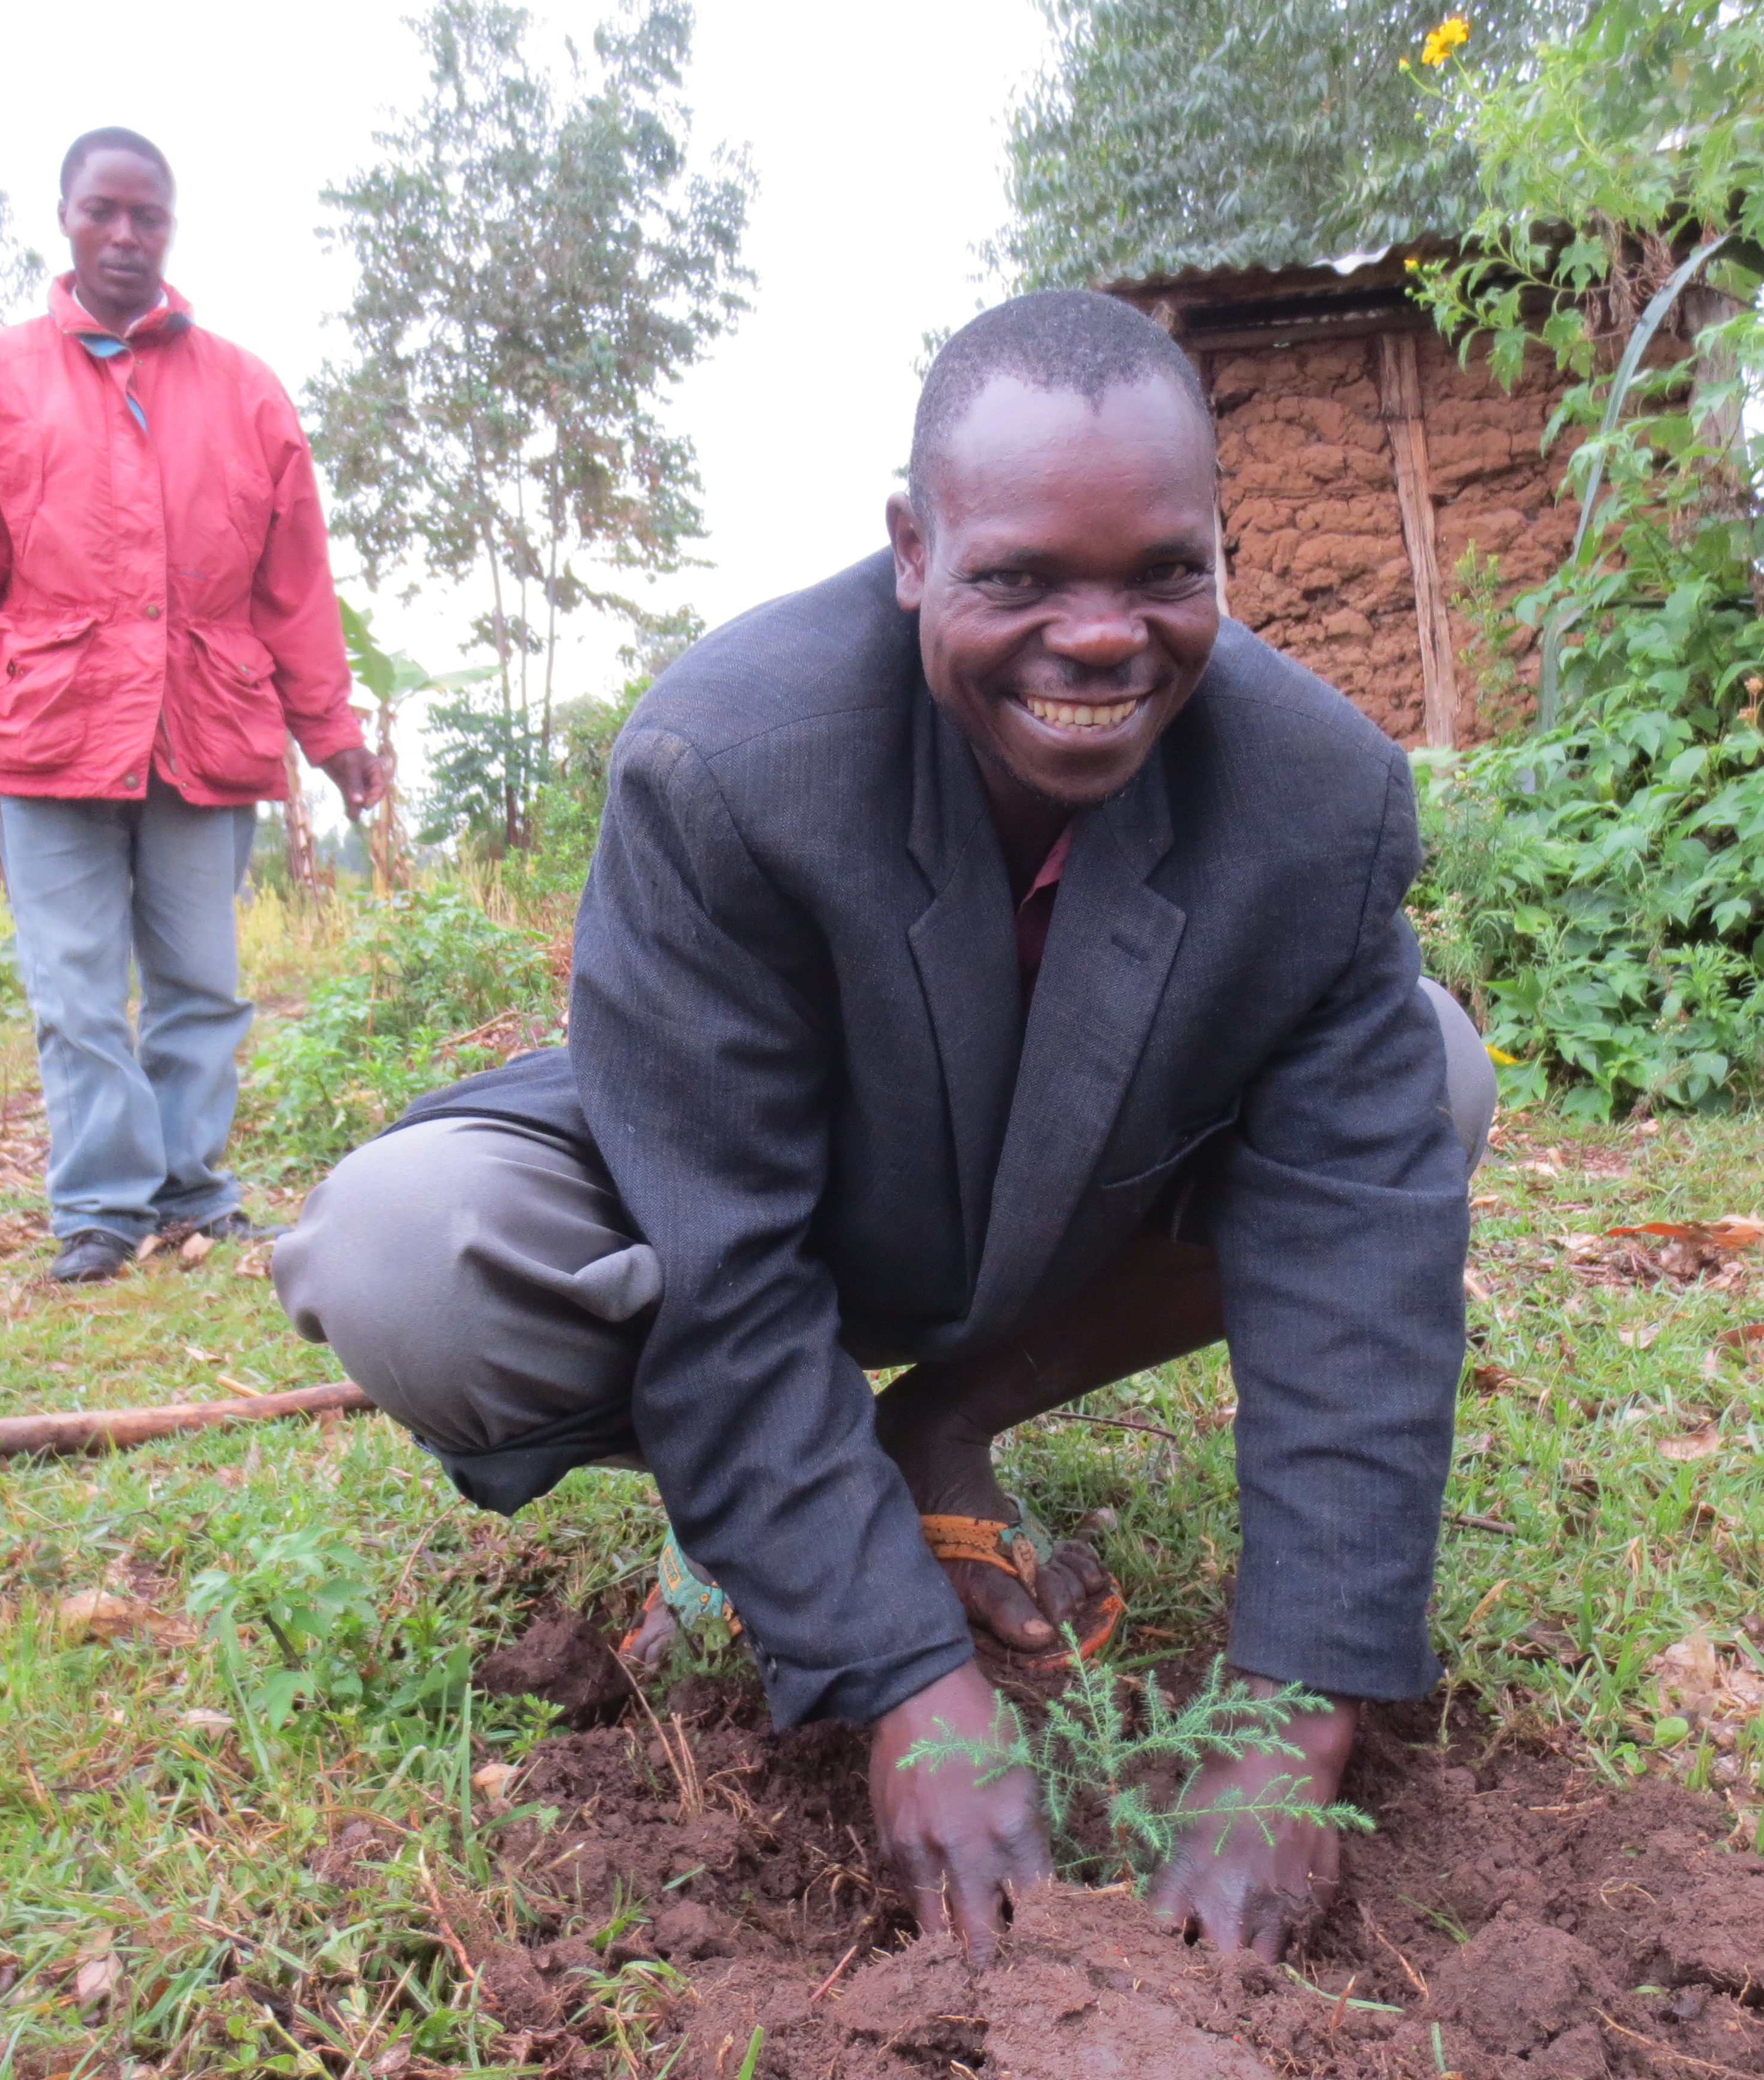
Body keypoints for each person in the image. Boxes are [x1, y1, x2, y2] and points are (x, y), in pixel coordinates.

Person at [271, 291, 1491, 1959]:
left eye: (1164, 573)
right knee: (408, 1250)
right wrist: (904, 1672)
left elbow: (1360, 1244)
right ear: (914, 549)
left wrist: (1298, 1715)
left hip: (1066, 1192)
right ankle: (769, 1508)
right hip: (736, 1168)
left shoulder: (1318, 800)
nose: (1100, 638)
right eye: (1018, 578)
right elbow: (719, 1260)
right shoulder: (734, 763)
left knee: (1427, 1073)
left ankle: (937, 1426)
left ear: (1222, 546)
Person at [0, 128, 385, 1284]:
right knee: (77, 991)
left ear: (170, 228)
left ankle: (195, 1199)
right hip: (50, 723)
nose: (123, 235)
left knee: (202, 984)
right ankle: (102, 1211)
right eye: (102, 211)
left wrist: (335, 732)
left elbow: (294, 584)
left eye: (145, 217)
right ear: (64, 216)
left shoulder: (246, 390)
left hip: (206, 719)